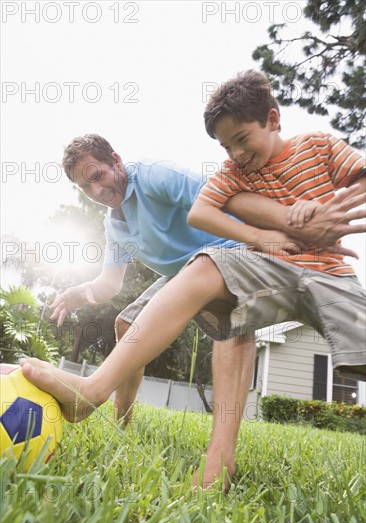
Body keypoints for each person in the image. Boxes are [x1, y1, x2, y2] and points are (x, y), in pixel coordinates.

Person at [21, 103, 365, 489]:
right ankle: (120, 420)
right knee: (126, 321)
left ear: (115, 160)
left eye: (99, 176)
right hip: (183, 273)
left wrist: (275, 232)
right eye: (85, 187)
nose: (98, 191)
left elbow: (221, 201)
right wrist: (79, 293)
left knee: (227, 302)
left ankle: (217, 452)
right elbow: (109, 286)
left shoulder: (154, 176)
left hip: (230, 249)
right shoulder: (114, 225)